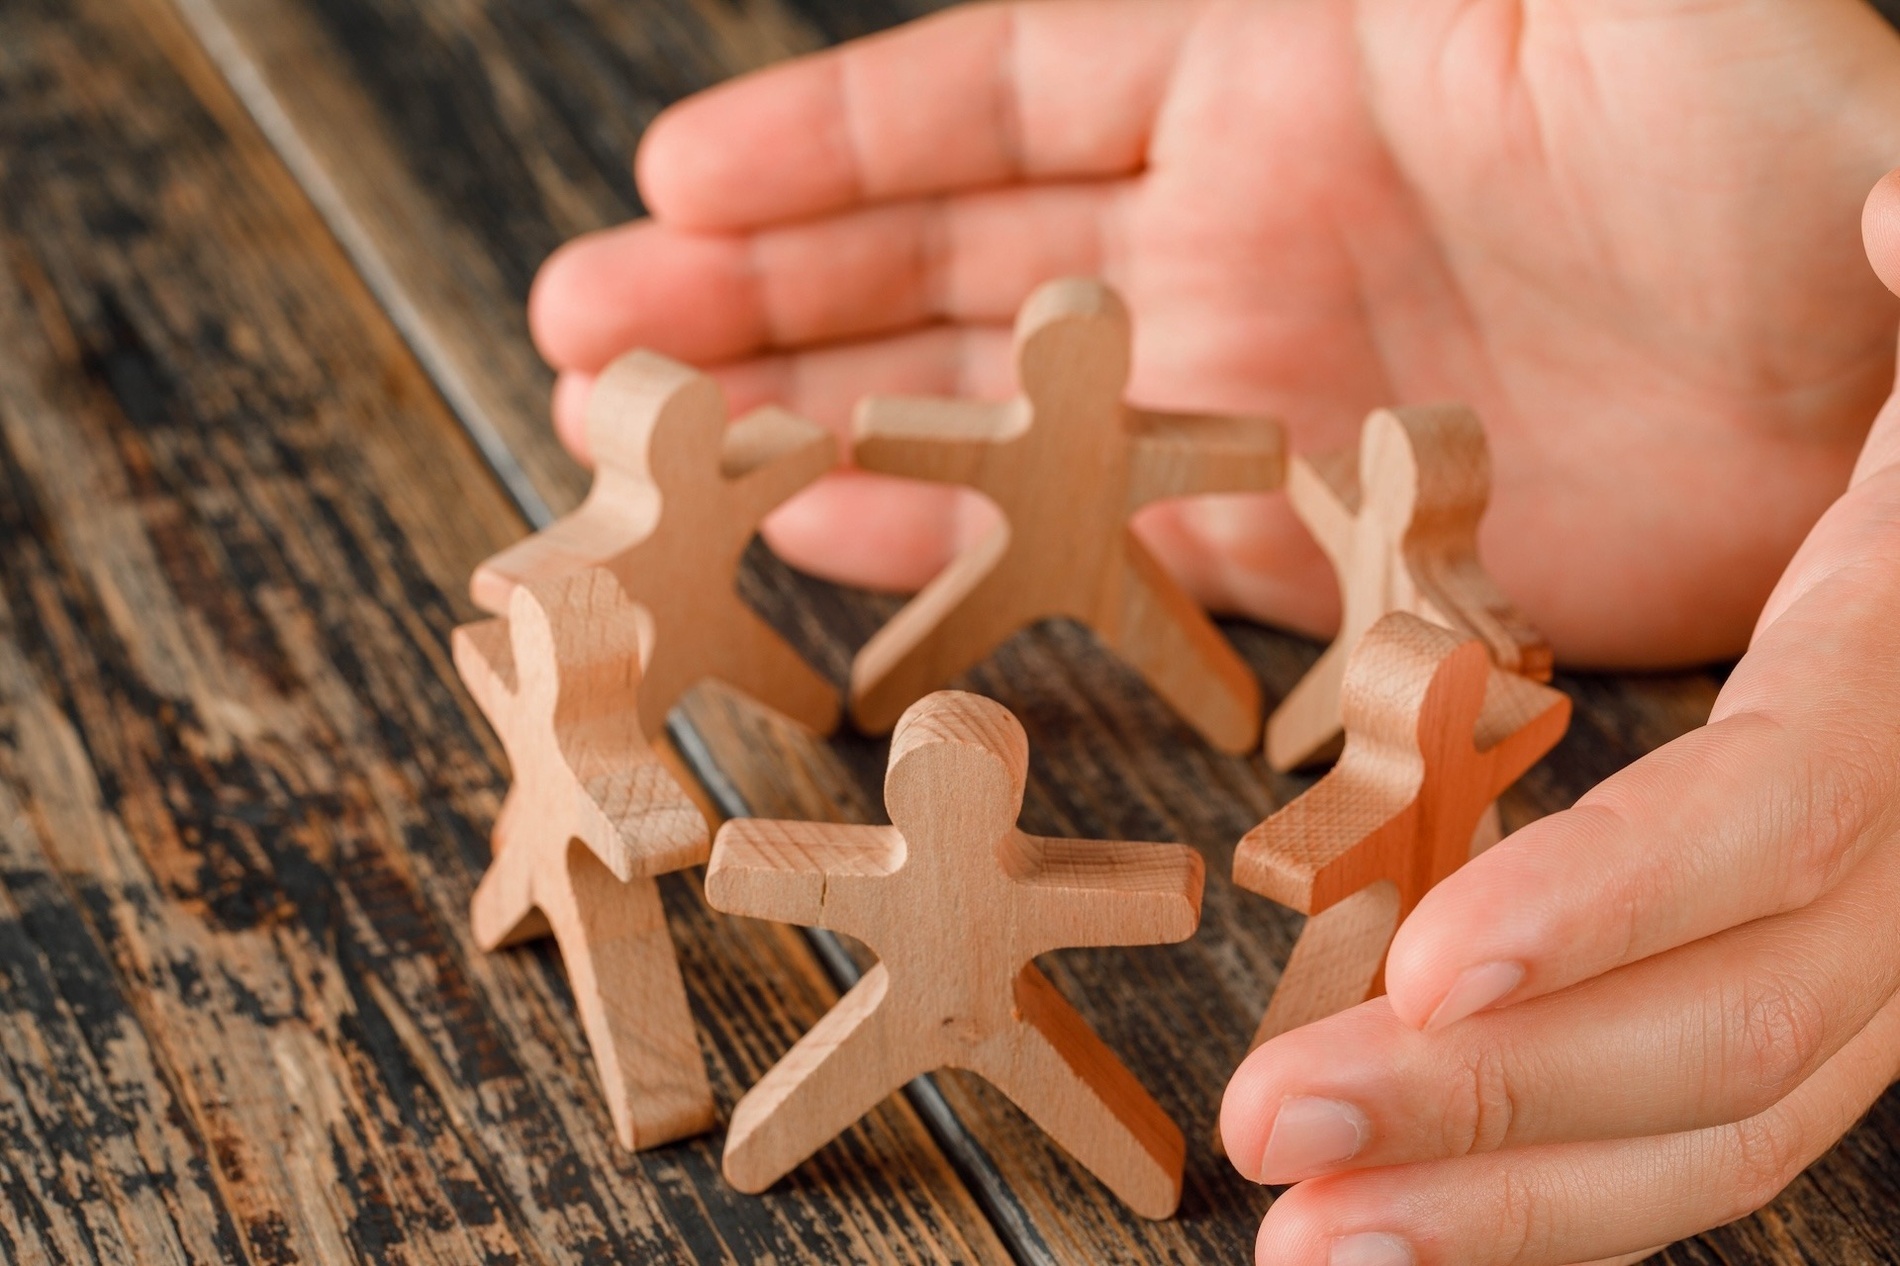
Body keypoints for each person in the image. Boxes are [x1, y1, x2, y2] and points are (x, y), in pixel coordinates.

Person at [527, 3, 1900, 1262]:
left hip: (1122, 644)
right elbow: (908, 858)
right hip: (1029, 653)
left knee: (967, 949)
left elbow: (831, 861)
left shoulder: (1409, 711)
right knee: (927, 831)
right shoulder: (945, 838)